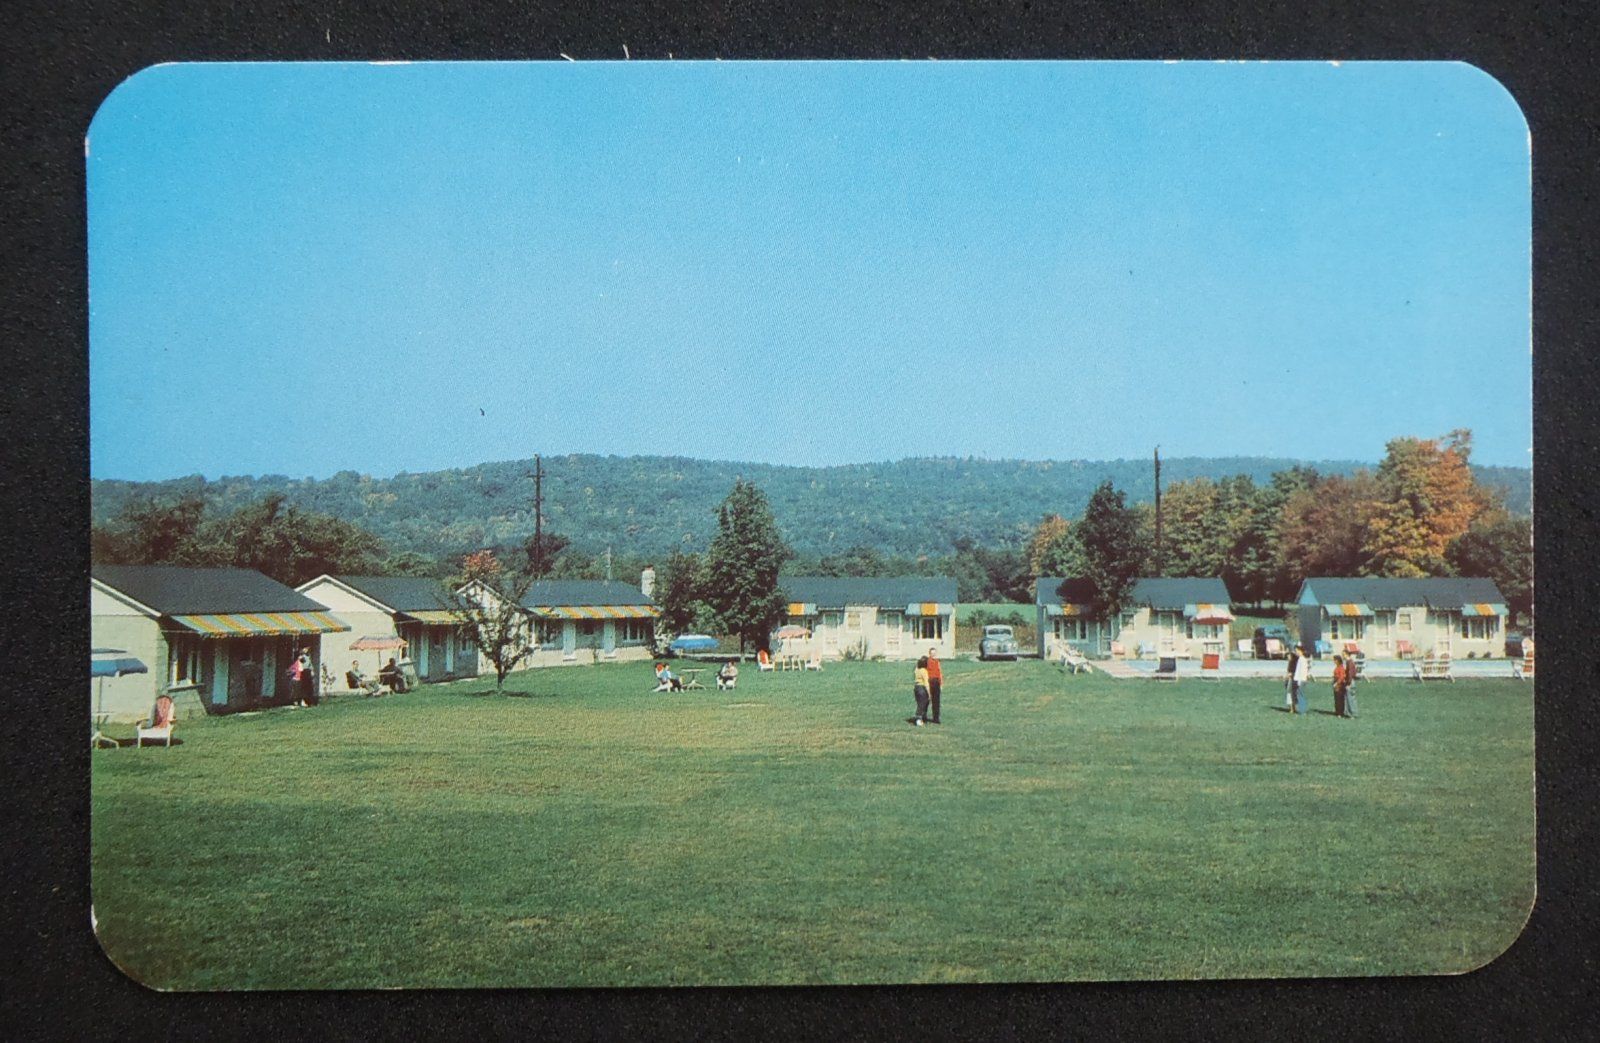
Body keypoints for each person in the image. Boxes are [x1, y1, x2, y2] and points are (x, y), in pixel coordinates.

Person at [908, 656, 932, 726]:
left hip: (916, 688)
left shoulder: (917, 669)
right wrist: (929, 693)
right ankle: (918, 719)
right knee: (922, 704)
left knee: (921, 703)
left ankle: (923, 717)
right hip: (922, 688)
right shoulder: (924, 671)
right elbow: (926, 683)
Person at [1288, 644, 1310, 715]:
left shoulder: (1302, 660)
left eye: (1297, 651)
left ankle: (1302, 710)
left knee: (1300, 695)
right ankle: (1301, 709)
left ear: (1301, 651)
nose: (1296, 652)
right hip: (1299, 679)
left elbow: (1303, 672)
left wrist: (1300, 681)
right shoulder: (1300, 659)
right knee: (1299, 694)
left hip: (1301, 680)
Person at [925, 646, 943, 724]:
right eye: (932, 653)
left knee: (936, 701)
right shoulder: (927, 662)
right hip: (930, 681)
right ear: (929, 654)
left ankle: (936, 718)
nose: (933, 654)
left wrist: (941, 684)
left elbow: (940, 673)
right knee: (927, 700)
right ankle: (923, 716)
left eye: (934, 653)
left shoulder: (937, 662)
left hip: (936, 682)